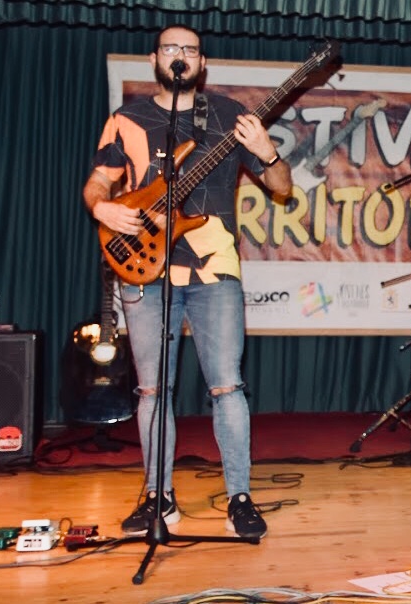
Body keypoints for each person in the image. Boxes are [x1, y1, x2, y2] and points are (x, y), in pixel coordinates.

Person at [82, 24, 291, 538]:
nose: (181, 56)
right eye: (171, 48)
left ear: (203, 62)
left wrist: (267, 151)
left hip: (213, 268)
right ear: (155, 58)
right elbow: (99, 183)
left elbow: (283, 189)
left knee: (228, 385)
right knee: (152, 389)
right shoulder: (127, 118)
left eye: (190, 50)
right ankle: (159, 497)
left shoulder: (227, 116)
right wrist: (102, 208)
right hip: (143, 265)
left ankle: (240, 497)